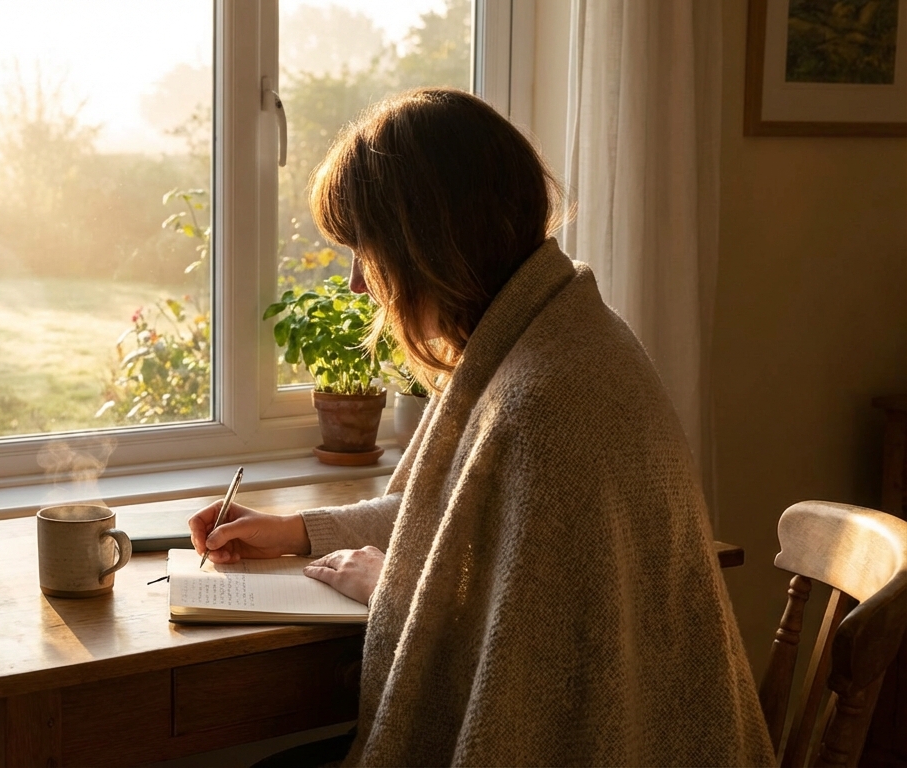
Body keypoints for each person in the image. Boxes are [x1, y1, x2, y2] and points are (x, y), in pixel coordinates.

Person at [189, 88, 774, 767]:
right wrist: (293, 531)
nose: (355, 283)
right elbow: (462, 524)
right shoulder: (556, 331)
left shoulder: (540, 400)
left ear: (427, 245)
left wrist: (392, 586)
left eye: (363, 250)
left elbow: (526, 667)